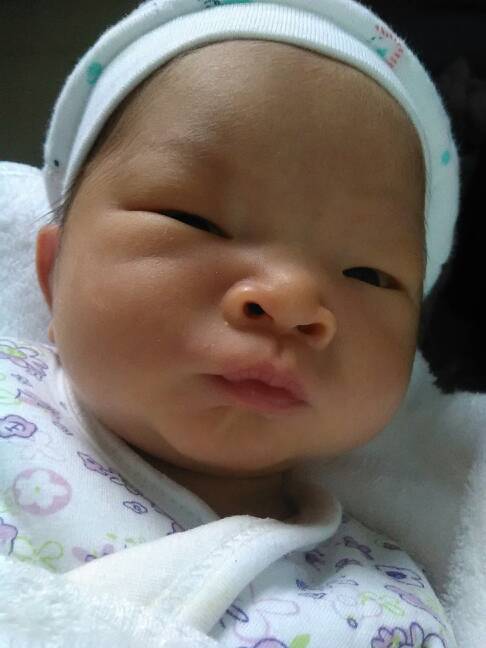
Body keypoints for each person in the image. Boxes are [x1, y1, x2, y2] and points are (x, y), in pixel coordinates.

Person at [0, 0, 460, 645]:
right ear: (53, 274)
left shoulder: (380, 603)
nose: (291, 300)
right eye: (195, 221)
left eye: (367, 274)